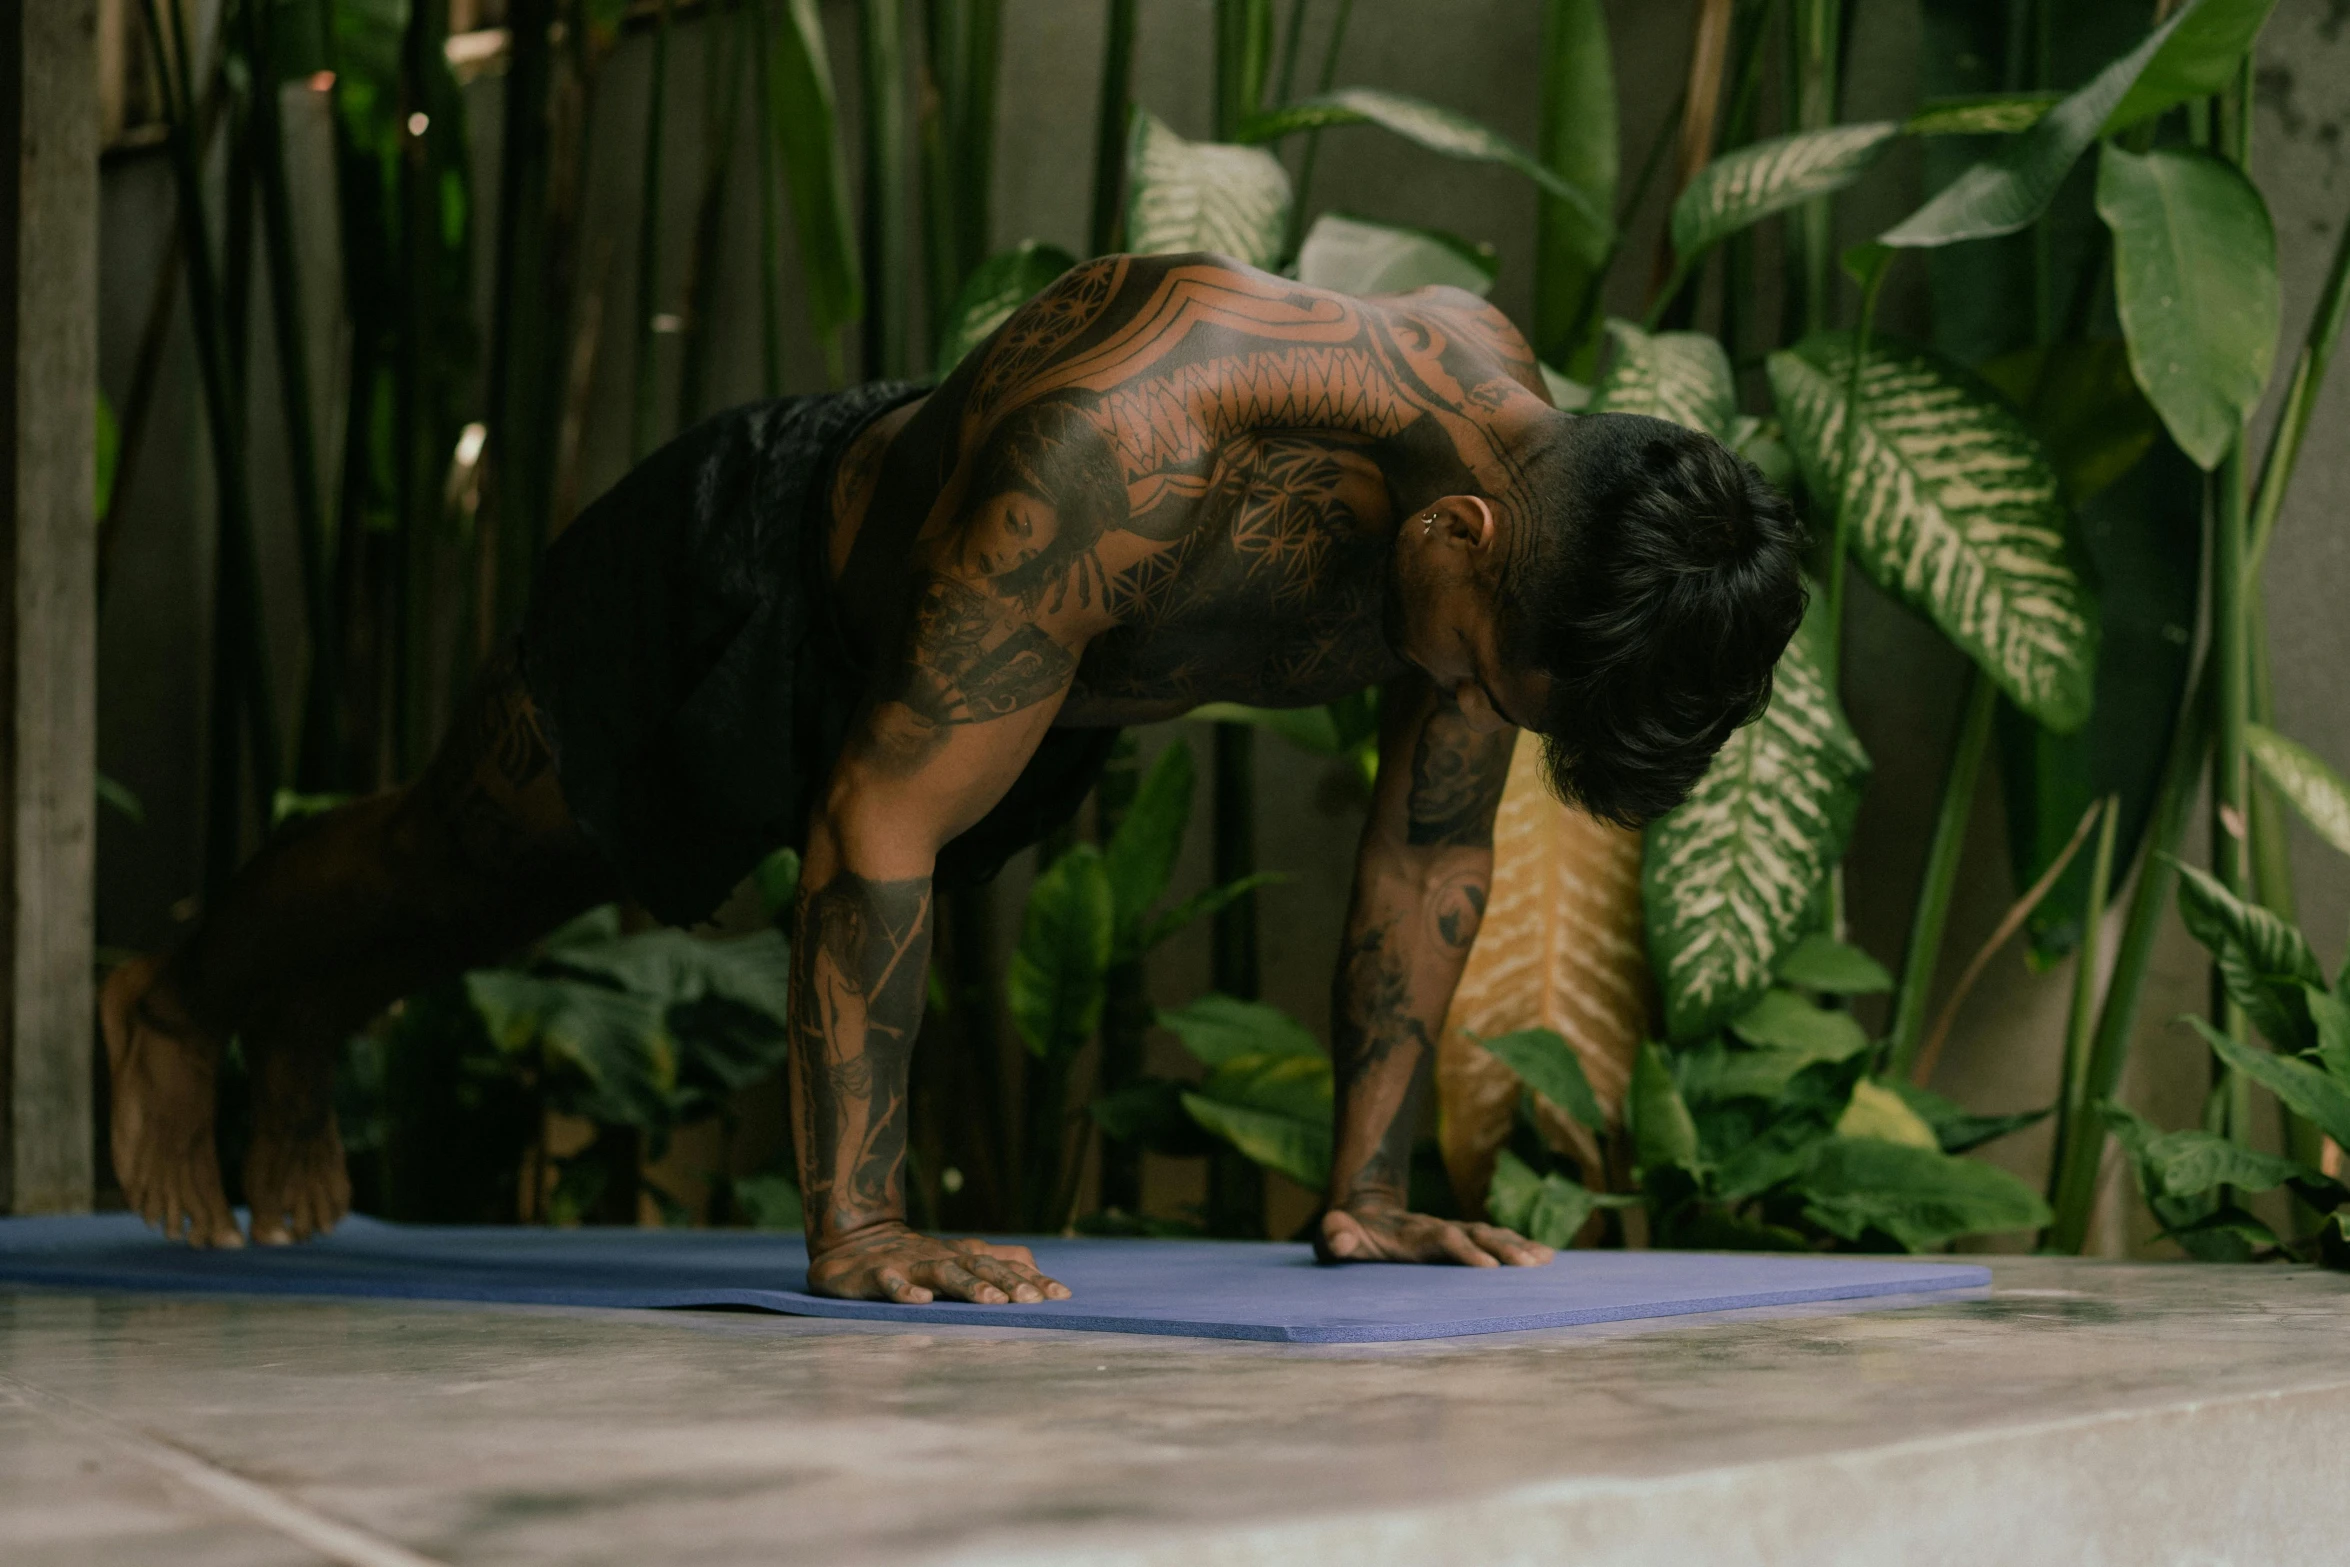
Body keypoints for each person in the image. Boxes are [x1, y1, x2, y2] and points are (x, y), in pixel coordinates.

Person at [101, 252, 1805, 1303]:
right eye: (1479, 671)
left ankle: (308, 1026)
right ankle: (181, 1005)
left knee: (523, 901)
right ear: (1458, 536)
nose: (1465, 705)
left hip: (1017, 683)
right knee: (460, 862)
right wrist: (859, 1219)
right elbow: (879, 813)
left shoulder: (1541, 540)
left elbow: (1427, 847)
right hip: (752, 577)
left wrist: (1363, 1191)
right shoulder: (1140, 438)